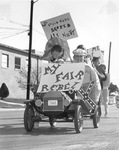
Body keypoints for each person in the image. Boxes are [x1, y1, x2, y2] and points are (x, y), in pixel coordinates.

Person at [73, 45, 101, 114]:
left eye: (80, 56)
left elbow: (95, 82)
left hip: (87, 92)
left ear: (84, 57)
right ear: (74, 57)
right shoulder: (70, 67)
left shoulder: (88, 68)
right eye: (77, 56)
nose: (78, 58)